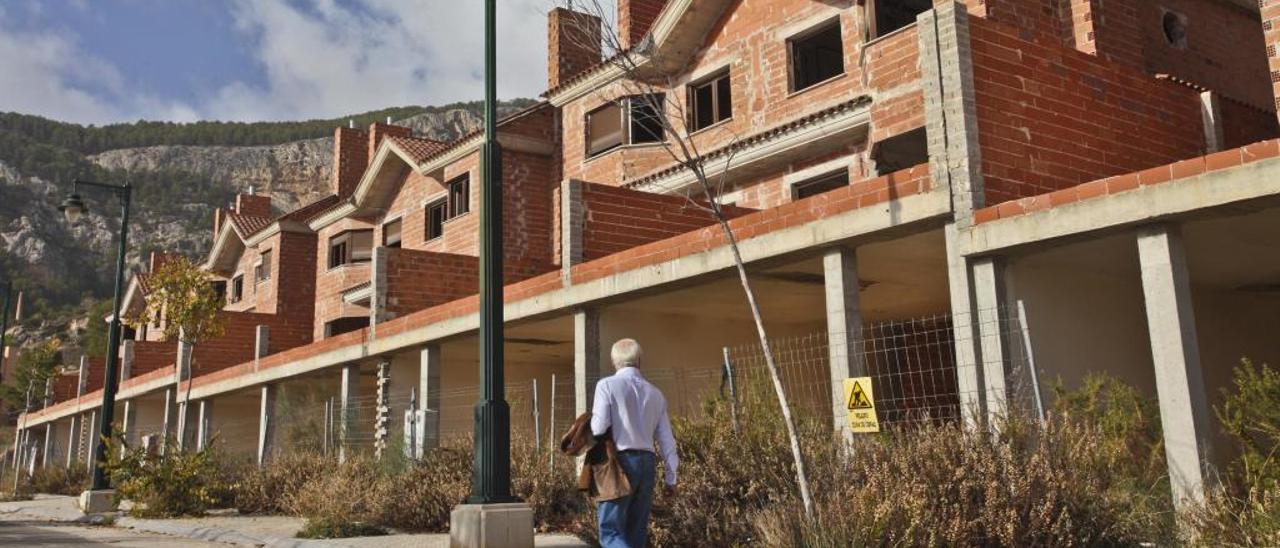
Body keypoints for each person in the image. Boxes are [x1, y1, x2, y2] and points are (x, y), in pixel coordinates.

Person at [590, 338, 678, 548]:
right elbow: (667, 440)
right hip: (647, 463)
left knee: (611, 531)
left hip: (619, 463)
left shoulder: (606, 386)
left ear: (614, 361)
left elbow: (598, 428)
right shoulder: (656, 394)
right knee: (636, 531)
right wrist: (671, 477)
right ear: (640, 361)